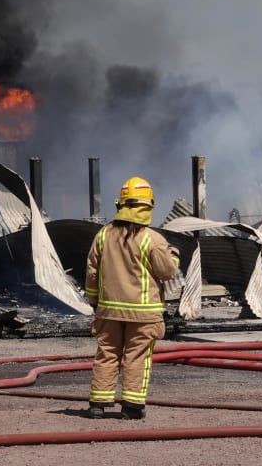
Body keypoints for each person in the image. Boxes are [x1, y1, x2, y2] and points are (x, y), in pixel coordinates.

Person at [84, 176, 181, 420]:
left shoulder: (103, 235)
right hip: (143, 313)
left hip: (108, 312)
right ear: (148, 207)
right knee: (138, 357)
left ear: (121, 204)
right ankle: (132, 406)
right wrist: (175, 255)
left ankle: (98, 403)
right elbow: (167, 271)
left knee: (107, 354)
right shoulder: (152, 239)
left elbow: (92, 272)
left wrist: (94, 302)